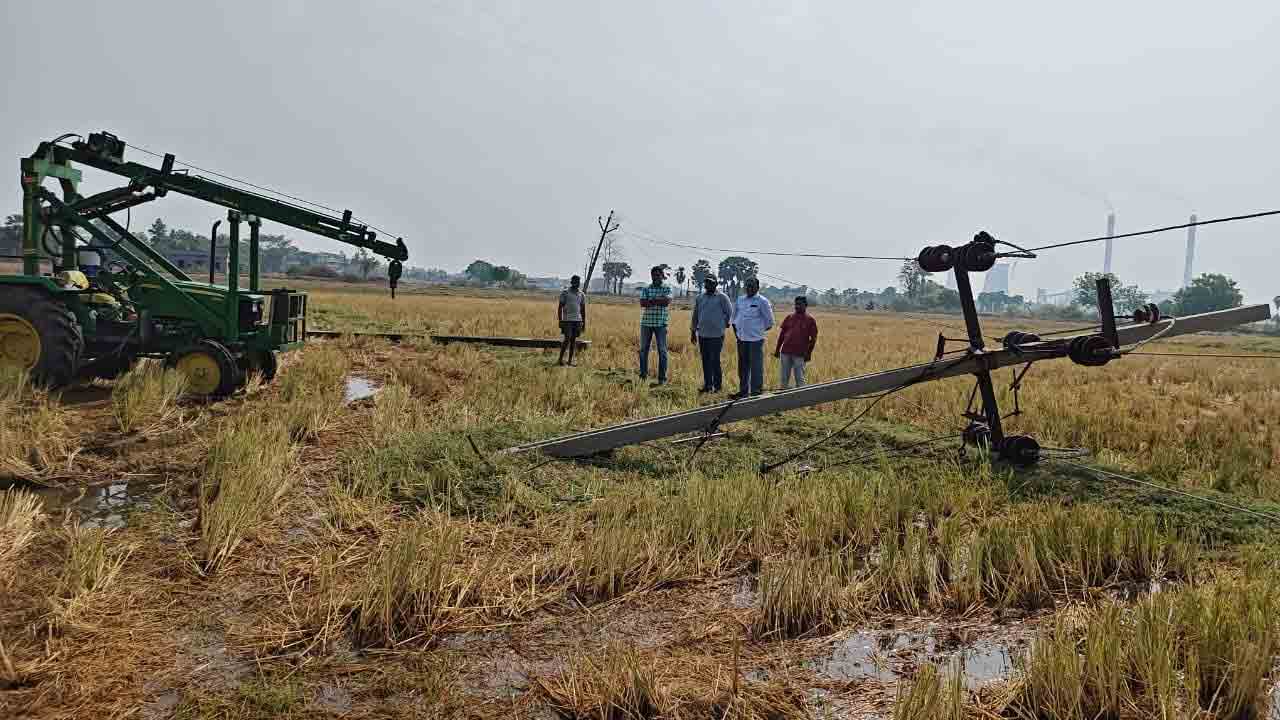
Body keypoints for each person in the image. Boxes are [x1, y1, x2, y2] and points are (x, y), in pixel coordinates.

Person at [731, 277, 773, 397]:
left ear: (757, 287)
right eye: (747, 285)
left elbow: (769, 323)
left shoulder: (763, 301)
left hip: (755, 340)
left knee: (756, 367)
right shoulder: (740, 300)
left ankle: (756, 392)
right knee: (742, 367)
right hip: (741, 339)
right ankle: (743, 391)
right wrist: (737, 334)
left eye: (752, 286)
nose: (749, 288)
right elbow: (734, 319)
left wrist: (757, 331)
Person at [690, 275, 733, 393]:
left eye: (711, 282)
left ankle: (718, 386)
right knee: (705, 360)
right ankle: (708, 385)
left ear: (716, 284)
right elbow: (695, 315)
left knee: (715, 360)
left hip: (717, 335)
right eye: (706, 283)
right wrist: (693, 332)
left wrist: (724, 324)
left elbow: (730, 313)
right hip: (702, 334)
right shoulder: (700, 298)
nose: (708, 285)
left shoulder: (722, 297)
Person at [638, 265, 672, 385]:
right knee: (643, 350)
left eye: (658, 275)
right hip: (646, 323)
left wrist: (651, 300)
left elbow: (666, 302)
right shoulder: (646, 288)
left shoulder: (667, 288)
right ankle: (643, 376)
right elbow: (642, 303)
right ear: (651, 276)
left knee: (662, 351)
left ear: (662, 276)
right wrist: (658, 300)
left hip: (661, 324)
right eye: (654, 275)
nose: (656, 277)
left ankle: (662, 379)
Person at [774, 296, 818, 389]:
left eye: (800, 304)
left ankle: (801, 399)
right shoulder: (789, 317)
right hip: (785, 352)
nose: (797, 306)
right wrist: (777, 350)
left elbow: (813, 339)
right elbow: (782, 335)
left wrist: (809, 354)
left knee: (800, 379)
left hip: (800, 354)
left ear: (805, 305)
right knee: (784, 378)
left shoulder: (810, 320)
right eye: (796, 304)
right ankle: (783, 399)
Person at [557, 275, 586, 366]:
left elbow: (583, 310)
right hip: (567, 320)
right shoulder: (565, 293)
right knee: (567, 338)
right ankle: (560, 359)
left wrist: (584, 322)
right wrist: (560, 320)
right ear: (571, 282)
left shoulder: (581, 294)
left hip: (577, 320)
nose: (576, 283)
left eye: (578, 281)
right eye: (575, 281)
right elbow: (560, 307)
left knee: (573, 340)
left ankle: (570, 361)